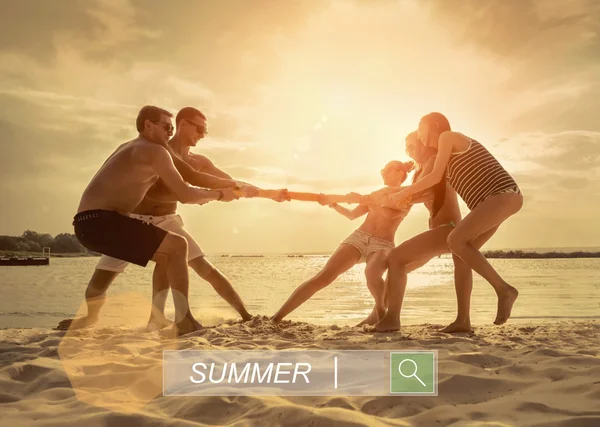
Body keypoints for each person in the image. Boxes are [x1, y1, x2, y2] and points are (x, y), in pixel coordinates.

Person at [60, 107, 289, 332]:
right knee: (175, 246)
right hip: (110, 221)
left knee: (169, 253)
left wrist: (263, 192)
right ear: (148, 125)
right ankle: (184, 321)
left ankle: (110, 319)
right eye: (167, 127)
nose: (169, 133)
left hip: (104, 222)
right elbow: (187, 193)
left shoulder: (150, 149)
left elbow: (194, 175)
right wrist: (219, 195)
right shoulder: (154, 151)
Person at [377, 113, 522, 330]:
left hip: (502, 195)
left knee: (455, 241)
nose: (419, 133)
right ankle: (463, 321)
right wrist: (409, 180)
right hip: (493, 203)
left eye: (420, 127)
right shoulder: (445, 160)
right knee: (463, 252)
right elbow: (431, 180)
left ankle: (504, 290)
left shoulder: (448, 137)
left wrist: (400, 194)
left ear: (434, 124)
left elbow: (433, 176)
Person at [271, 160, 421, 324]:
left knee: (372, 274)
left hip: (382, 244)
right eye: (382, 171)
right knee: (323, 277)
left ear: (400, 173)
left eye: (387, 170)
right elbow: (352, 215)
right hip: (359, 237)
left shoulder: (407, 195)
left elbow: (387, 213)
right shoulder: (375, 194)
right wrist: (334, 204)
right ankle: (276, 317)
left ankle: (379, 310)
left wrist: (363, 199)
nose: (383, 173)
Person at [361, 132, 473, 332]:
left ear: (423, 143)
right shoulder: (419, 171)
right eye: (407, 148)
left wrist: (403, 197)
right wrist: (394, 198)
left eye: (412, 146)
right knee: (397, 270)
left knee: (396, 258)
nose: (410, 151)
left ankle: (392, 319)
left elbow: (432, 191)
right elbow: (413, 193)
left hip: (448, 228)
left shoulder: (433, 162)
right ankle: (377, 314)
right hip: (437, 230)